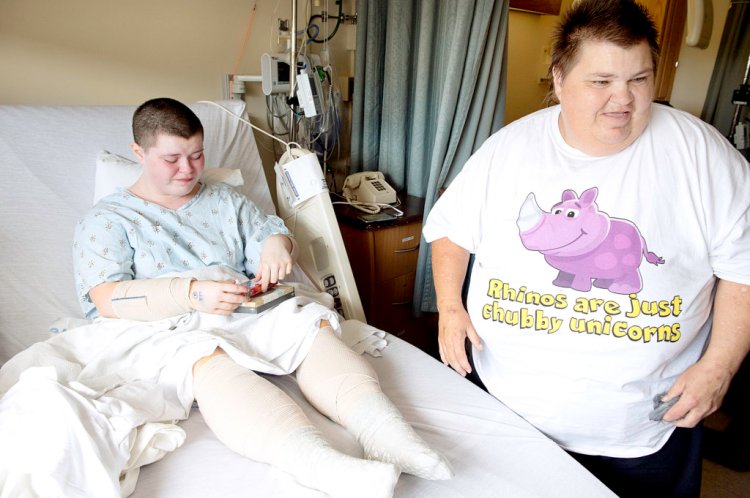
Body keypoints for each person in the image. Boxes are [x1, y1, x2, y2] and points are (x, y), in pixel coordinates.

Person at [2, 98, 452, 497]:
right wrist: (189, 293)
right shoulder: (108, 219)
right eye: (172, 158)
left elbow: (266, 231)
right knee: (206, 358)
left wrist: (278, 245)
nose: (188, 169)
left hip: (243, 308)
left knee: (307, 328)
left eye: (197, 155)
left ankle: (386, 433)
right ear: (138, 153)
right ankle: (320, 464)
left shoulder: (223, 201)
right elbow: (106, 298)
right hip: (167, 326)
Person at [422, 0, 750, 496]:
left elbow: (744, 269)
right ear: (559, 79)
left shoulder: (704, 157)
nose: (622, 99)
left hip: (641, 429)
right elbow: (452, 229)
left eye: (639, 80)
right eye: (600, 82)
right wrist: (449, 306)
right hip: (510, 412)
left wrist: (719, 366)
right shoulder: (507, 150)